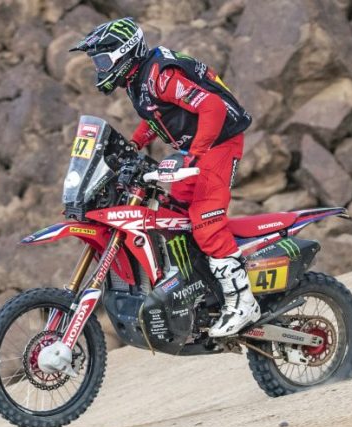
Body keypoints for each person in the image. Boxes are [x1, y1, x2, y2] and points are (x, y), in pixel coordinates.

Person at [70, 17, 260, 337]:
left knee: (206, 219)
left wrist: (196, 154)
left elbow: (212, 107)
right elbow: (156, 116)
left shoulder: (161, 77)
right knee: (174, 216)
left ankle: (242, 302)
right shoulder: (137, 79)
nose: (99, 69)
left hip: (218, 143)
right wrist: (133, 146)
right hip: (195, 147)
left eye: (102, 61)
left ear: (124, 52)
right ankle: (202, 290)